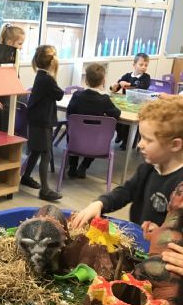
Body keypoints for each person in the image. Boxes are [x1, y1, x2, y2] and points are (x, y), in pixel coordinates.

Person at [71, 97, 183, 231]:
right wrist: (100, 203)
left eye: (148, 140)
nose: (140, 144)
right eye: (141, 137)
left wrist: (163, 233)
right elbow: (126, 191)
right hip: (140, 235)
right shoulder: (149, 168)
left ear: (175, 145)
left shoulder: (180, 182)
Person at [20, 45, 63, 202]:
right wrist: (54, 75)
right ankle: (45, 190)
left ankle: (26, 177)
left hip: (37, 119)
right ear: (52, 62)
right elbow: (59, 95)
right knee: (46, 153)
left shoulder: (40, 75)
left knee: (37, 151)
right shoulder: (47, 79)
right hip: (42, 121)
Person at [67, 63, 121, 179]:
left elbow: (69, 113)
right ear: (103, 81)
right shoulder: (104, 100)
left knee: (75, 132)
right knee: (96, 135)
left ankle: (72, 166)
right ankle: (84, 166)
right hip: (96, 145)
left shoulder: (77, 95)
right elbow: (116, 114)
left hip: (74, 140)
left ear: (86, 80)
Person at [110, 53, 151, 150]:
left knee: (128, 125)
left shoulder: (146, 77)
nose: (143, 67)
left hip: (137, 105)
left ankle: (126, 141)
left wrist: (127, 84)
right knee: (117, 118)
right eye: (141, 64)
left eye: (146, 65)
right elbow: (117, 87)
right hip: (125, 104)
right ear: (134, 65)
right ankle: (120, 134)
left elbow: (142, 87)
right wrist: (114, 87)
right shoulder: (127, 76)